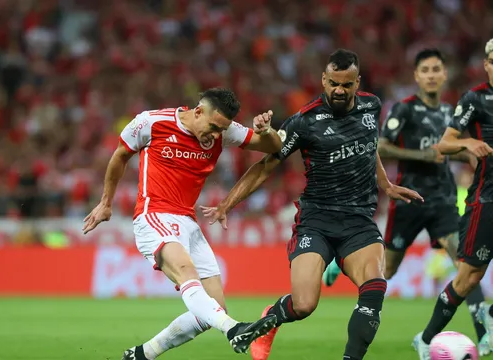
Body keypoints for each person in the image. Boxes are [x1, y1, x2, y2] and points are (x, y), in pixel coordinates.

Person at [202, 49, 423, 360]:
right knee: (304, 305)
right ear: (323, 79)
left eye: (346, 85)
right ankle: (269, 320)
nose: (339, 90)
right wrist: (227, 203)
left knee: (375, 288)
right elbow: (267, 165)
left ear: (357, 83)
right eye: (333, 83)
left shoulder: (372, 106)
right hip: (316, 221)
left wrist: (385, 183)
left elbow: (369, 146)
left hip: (359, 221)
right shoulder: (305, 121)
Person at [82, 88, 286, 359]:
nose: (216, 135)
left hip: (188, 223)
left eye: (221, 130)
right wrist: (106, 203)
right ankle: (234, 329)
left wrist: (268, 130)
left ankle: (143, 354)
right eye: (213, 127)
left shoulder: (224, 130)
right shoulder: (151, 122)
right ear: (198, 111)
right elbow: (120, 154)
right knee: (185, 270)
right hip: (153, 215)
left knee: (213, 308)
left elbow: (274, 147)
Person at [320, 48, 490, 355]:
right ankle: (340, 261)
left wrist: (471, 155)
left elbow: (453, 148)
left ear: (444, 74)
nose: (431, 75)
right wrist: (420, 155)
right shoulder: (404, 109)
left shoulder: (449, 112)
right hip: (409, 199)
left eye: (436, 69)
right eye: (425, 70)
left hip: (443, 199)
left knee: (466, 266)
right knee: (388, 270)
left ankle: (484, 334)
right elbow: (380, 147)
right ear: (417, 76)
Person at [413, 39, 493, 359]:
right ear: (487, 65)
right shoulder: (475, 99)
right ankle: (427, 337)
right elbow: (444, 145)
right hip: (486, 200)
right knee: (468, 277)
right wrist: (470, 144)